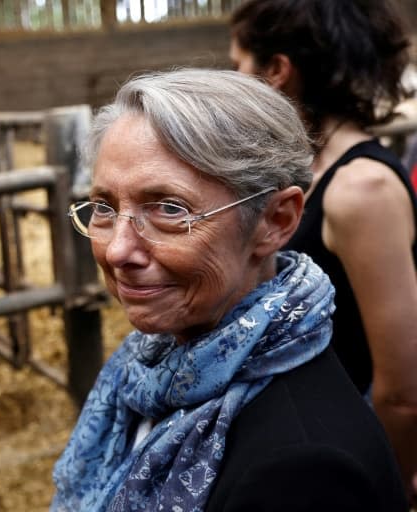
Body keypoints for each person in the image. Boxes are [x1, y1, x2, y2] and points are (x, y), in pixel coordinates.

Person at [50, 69, 407, 511]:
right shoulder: (150, 369)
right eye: (105, 207)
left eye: (169, 208)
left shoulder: (304, 475)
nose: (119, 250)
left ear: (275, 221)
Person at [230, 0, 417, 500]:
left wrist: (387, 490)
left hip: (341, 460)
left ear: (278, 71)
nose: (234, 78)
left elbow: (401, 390)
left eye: (238, 66)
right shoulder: (302, 171)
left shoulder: (362, 189)